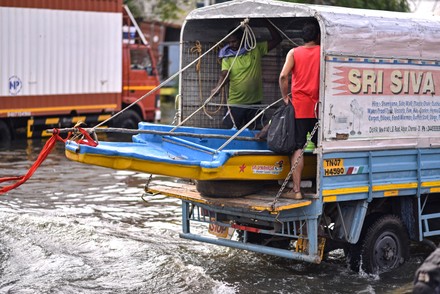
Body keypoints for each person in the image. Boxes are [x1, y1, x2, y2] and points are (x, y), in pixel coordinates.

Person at [211, 20, 282, 130]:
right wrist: (218, 87)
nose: (231, 45)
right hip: (236, 103)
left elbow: (278, 39)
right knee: (228, 131)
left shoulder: (255, 49)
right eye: (229, 42)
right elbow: (225, 73)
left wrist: (267, 23)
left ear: (242, 39)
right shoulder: (227, 54)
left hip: (255, 103)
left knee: (259, 131)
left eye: (234, 41)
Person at [278, 21, 320, 200]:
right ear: (318, 36)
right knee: (322, 147)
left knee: (298, 148)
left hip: (300, 107)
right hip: (321, 108)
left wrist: (285, 96)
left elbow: (283, 76)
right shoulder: (323, 52)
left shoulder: (294, 53)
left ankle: (296, 191)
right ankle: (323, 187)